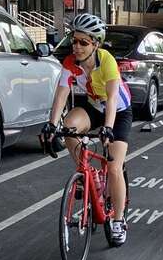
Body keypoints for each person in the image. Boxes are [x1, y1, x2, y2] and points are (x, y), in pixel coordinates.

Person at [41, 13, 133, 245]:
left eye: (84, 42)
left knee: (113, 168)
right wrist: (52, 125)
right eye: (74, 40)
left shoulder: (107, 61)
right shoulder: (70, 63)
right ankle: (85, 173)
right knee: (69, 127)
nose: (77, 46)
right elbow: (61, 95)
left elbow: (112, 99)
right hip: (93, 107)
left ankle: (119, 221)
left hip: (118, 112)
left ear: (96, 43)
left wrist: (108, 129)